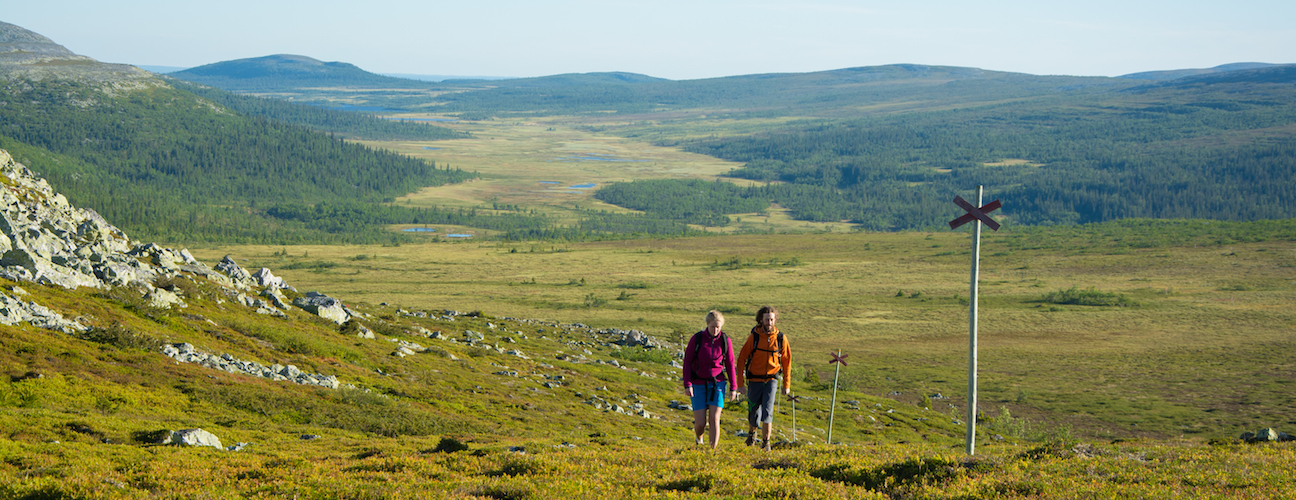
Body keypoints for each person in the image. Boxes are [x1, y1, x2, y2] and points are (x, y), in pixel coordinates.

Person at [736, 306, 792, 450]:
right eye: (767, 319)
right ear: (761, 320)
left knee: (768, 412)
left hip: (771, 380)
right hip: (754, 379)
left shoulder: (780, 339)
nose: (769, 322)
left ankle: (766, 443)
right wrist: (740, 384)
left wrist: (786, 384)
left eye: (772, 319)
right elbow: (741, 358)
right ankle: (752, 435)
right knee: (753, 411)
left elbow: (786, 361)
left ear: (775, 320)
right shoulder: (753, 337)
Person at [682, 310, 738, 449]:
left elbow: (730, 364)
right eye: (713, 326)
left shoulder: (725, 340)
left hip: (717, 383)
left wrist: (733, 387)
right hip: (698, 383)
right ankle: (699, 438)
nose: (715, 330)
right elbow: (687, 362)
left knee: (714, 419)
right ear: (707, 324)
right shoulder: (697, 339)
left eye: (718, 327)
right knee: (700, 422)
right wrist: (687, 384)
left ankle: (712, 451)